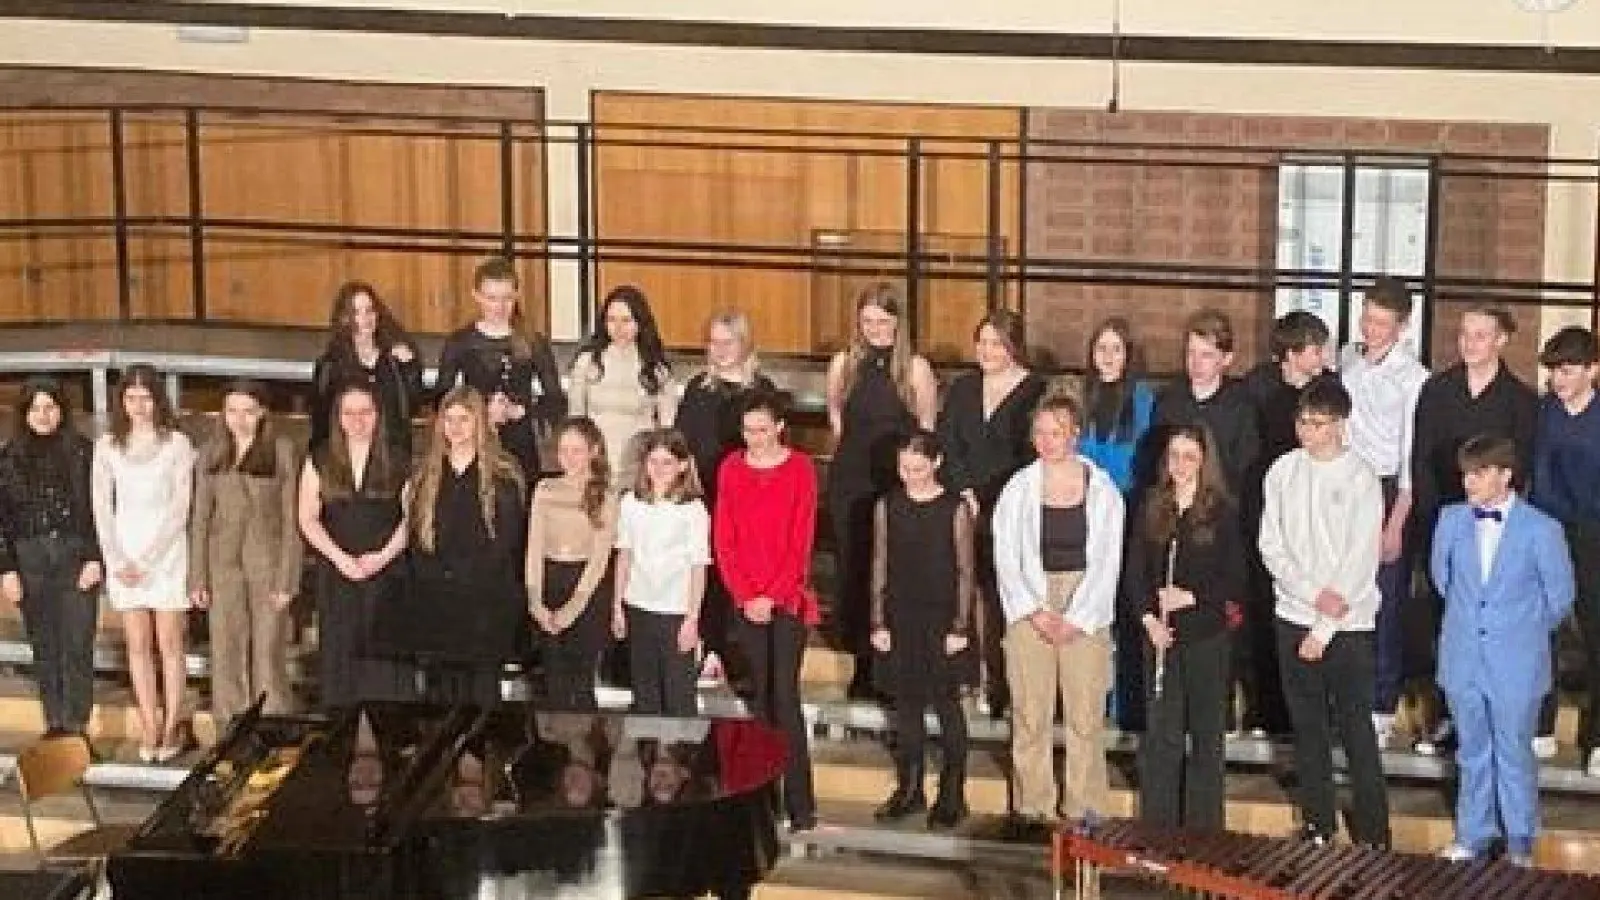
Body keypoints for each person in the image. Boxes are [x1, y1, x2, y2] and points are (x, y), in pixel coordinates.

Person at [1258, 379, 1390, 847]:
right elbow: (1271, 546)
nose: (1306, 433)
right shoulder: (1281, 472)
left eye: (1317, 425)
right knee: (1307, 728)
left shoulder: (1361, 478)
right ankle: (1319, 823)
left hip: (1347, 626)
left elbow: (1359, 560)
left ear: (1339, 425)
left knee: (1355, 728)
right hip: (1293, 612)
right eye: (1302, 422)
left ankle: (1374, 833)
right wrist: (1311, 596)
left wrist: (1325, 626)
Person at [1433, 435, 1574, 866]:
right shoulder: (1450, 520)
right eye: (1465, 474)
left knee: (1513, 752)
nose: (1469, 482)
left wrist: (1517, 633)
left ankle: (1519, 842)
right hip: (1463, 659)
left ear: (1505, 475)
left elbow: (1559, 598)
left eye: (1479, 473)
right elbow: (1444, 580)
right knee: (1471, 751)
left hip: (1516, 662)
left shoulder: (1541, 529)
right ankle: (1473, 833)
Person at [1410, 305, 1539, 757]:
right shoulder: (1438, 391)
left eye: (1480, 335)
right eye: (1465, 334)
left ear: (1502, 340)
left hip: (1498, 531)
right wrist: (1431, 521)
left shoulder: (1520, 402)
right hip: (1447, 524)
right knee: (1447, 627)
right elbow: (1422, 459)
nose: (1469, 343)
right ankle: (1449, 716)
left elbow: (1523, 469)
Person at [993, 394, 1124, 833]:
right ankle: (1033, 807)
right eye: (1041, 432)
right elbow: (1006, 556)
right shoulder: (1017, 490)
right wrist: (1035, 611)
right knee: (1031, 712)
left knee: (1084, 714)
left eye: (1058, 432)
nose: (1049, 441)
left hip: (1084, 601)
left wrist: (1078, 617)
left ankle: (1083, 807)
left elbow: (1108, 560)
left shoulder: (1103, 490)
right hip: (1031, 603)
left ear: (1075, 434)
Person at [1141, 308, 1259, 737]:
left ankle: (1224, 710)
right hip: (1173, 521)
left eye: (1207, 355)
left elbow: (1246, 472)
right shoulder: (1170, 401)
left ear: (1226, 359)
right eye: (1191, 353)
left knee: (1218, 625)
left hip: (1220, 526)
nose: (1196, 363)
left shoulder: (1241, 406)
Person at [713, 389, 820, 833]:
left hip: (786, 600)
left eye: (761, 429)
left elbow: (801, 540)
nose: (753, 438)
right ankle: (762, 801)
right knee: (760, 698)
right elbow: (725, 538)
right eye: (747, 430)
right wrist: (744, 594)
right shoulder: (731, 469)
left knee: (784, 697)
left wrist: (772, 596)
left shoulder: (800, 469)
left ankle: (800, 805)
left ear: (779, 427)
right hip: (746, 600)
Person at [379, 386, 527, 706]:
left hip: (483, 604)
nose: (455, 428)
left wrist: (468, 583)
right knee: (441, 695)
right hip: (437, 603)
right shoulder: (424, 477)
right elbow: (417, 539)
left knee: (483, 694)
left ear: (479, 424)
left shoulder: (505, 477)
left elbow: (506, 544)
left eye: (464, 419)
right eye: (448, 420)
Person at [826, 282, 939, 699]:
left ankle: (894, 668)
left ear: (898, 323)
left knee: (894, 573)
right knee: (854, 570)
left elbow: (927, 433)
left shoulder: (915, 370)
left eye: (883, 321)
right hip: (852, 482)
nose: (874, 329)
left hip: (897, 482)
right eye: (867, 321)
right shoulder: (843, 365)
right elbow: (837, 423)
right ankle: (860, 664)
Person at [1130, 424, 1244, 831]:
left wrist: (1191, 597)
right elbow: (1136, 573)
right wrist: (1148, 620)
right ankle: (1159, 830)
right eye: (1173, 456)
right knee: (1163, 736)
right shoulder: (1150, 504)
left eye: (1189, 457)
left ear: (1204, 462)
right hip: (1160, 637)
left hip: (1206, 636)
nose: (1180, 465)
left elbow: (1234, 580)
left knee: (1206, 736)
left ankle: (1204, 834)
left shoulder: (1222, 512)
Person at [936, 309, 1045, 717]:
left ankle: (1005, 682)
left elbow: (1032, 451)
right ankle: (972, 675)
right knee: (968, 588)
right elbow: (946, 442)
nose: (987, 350)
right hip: (966, 506)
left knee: (1006, 594)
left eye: (996, 343)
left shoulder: (1035, 390)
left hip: (1013, 506)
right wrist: (964, 490)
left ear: (1014, 346)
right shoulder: (964, 389)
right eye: (982, 341)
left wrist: (1002, 498)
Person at [1339, 276, 1429, 751]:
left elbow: (1410, 453)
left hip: (1388, 488)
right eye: (1367, 319)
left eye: (1381, 323)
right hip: (1346, 486)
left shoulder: (1413, 379)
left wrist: (1396, 518)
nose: (1371, 329)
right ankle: (1350, 697)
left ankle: (1382, 703)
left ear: (1402, 326)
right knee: (1347, 596)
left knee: (1385, 601)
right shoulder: (1348, 362)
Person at [1237, 311, 1336, 739]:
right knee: (1264, 612)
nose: (1322, 357)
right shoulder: (1256, 390)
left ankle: (1311, 715)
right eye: (1314, 349)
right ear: (1292, 353)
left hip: (1314, 518)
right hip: (1266, 513)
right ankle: (1265, 709)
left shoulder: (1330, 391)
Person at [869, 430, 974, 829]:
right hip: (901, 616)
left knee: (948, 707)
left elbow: (965, 570)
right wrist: (878, 620)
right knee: (907, 707)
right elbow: (879, 562)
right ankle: (909, 789)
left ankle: (952, 793)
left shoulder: (954, 507)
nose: (910, 476)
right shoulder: (888, 505)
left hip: (943, 618)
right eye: (903, 468)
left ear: (936, 464)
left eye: (917, 468)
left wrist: (961, 626)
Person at [91, 365, 195, 763]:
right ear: (121, 402)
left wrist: (150, 558)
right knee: (137, 644)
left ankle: (172, 723)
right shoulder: (107, 446)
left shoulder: (177, 444)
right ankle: (149, 722)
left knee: (169, 643)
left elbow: (179, 507)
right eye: (131, 398)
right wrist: (118, 558)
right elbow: (102, 506)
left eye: (146, 397)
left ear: (158, 400)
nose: (139, 406)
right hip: (123, 554)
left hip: (166, 554)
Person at [188, 380, 302, 724]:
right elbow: (201, 517)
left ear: (263, 412)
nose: (240, 419)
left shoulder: (282, 450)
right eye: (233, 411)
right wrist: (198, 577)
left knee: (268, 652)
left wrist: (287, 579)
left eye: (249, 411)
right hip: (222, 564)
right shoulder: (211, 452)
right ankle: (232, 733)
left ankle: (273, 728)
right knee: (227, 650)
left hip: (268, 564)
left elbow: (292, 519)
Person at [298, 381, 415, 708]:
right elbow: (307, 517)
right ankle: (342, 740)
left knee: (387, 662)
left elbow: (412, 518)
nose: (357, 420)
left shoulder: (399, 458)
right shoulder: (319, 459)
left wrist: (383, 556)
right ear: (337, 417)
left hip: (388, 571)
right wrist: (339, 558)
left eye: (365, 412)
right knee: (340, 657)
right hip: (338, 571)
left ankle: (392, 745)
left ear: (378, 415)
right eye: (349, 413)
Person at [675, 309, 775, 683]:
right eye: (713, 342)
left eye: (727, 342)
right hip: (707, 494)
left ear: (744, 343)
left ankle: (747, 653)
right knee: (710, 572)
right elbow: (683, 444)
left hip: (750, 500)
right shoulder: (699, 389)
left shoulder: (761, 390)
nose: (719, 350)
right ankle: (711, 647)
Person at [0, 377, 102, 740]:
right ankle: (55, 727)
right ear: (24, 414)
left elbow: (100, 508)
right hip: (30, 560)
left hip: (75, 556)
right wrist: (6, 569)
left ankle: (77, 727)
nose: (43, 415)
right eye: (36, 408)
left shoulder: (83, 452)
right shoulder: (8, 456)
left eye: (50, 407)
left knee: (77, 646)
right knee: (45, 648)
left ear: (61, 410)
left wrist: (95, 557)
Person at [1076, 316, 1155, 732]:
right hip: (1087, 519)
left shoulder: (1142, 399)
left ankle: (1127, 706)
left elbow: (1139, 462)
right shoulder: (1080, 397)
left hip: (1127, 515)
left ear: (1129, 356)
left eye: (1116, 349)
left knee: (1127, 610)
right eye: (1100, 348)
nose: (1107, 357)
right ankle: (1093, 701)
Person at [1531, 326, 1600, 775]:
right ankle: (1541, 724)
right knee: (1542, 632)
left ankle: (1597, 739)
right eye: (1554, 369)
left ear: (1592, 370)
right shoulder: (1543, 414)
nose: (1558, 379)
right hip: (1548, 529)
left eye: (1568, 369)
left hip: (1595, 531)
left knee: (1596, 632)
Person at [435, 256, 567, 484]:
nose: (500, 306)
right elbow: (442, 398)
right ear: (476, 296)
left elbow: (555, 400)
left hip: (520, 441)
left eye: (507, 298)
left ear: (516, 296)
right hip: (474, 438)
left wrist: (522, 411)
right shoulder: (461, 342)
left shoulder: (533, 342)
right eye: (492, 298)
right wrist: (481, 412)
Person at [612, 429, 710, 716]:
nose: (659, 469)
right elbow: (625, 554)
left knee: (678, 695)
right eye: (653, 461)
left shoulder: (693, 510)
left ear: (682, 465)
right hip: (639, 606)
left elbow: (698, 567)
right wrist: (618, 605)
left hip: (675, 611)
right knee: (645, 694)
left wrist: (692, 618)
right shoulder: (631, 502)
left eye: (667, 462)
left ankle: (678, 757)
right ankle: (648, 755)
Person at [526, 417, 618, 711]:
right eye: (564, 450)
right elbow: (534, 547)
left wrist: (571, 610)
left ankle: (586, 752)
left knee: (581, 683)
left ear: (594, 451)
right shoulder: (545, 488)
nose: (568, 458)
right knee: (553, 681)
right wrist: (535, 601)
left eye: (577, 450)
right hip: (550, 582)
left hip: (586, 591)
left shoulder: (605, 495)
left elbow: (599, 560)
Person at [571, 285, 677, 489]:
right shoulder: (587, 362)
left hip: (638, 465)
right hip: (596, 463)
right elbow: (576, 420)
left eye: (626, 321)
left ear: (640, 323)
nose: (618, 328)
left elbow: (666, 428)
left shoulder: (656, 368)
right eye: (611, 320)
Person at [311, 280, 424, 457]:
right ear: (344, 318)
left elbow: (412, 407)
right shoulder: (330, 366)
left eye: (369, 310)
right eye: (356, 312)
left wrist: (410, 368)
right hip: (345, 457)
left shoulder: (395, 361)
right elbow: (320, 423)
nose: (365, 319)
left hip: (391, 456)